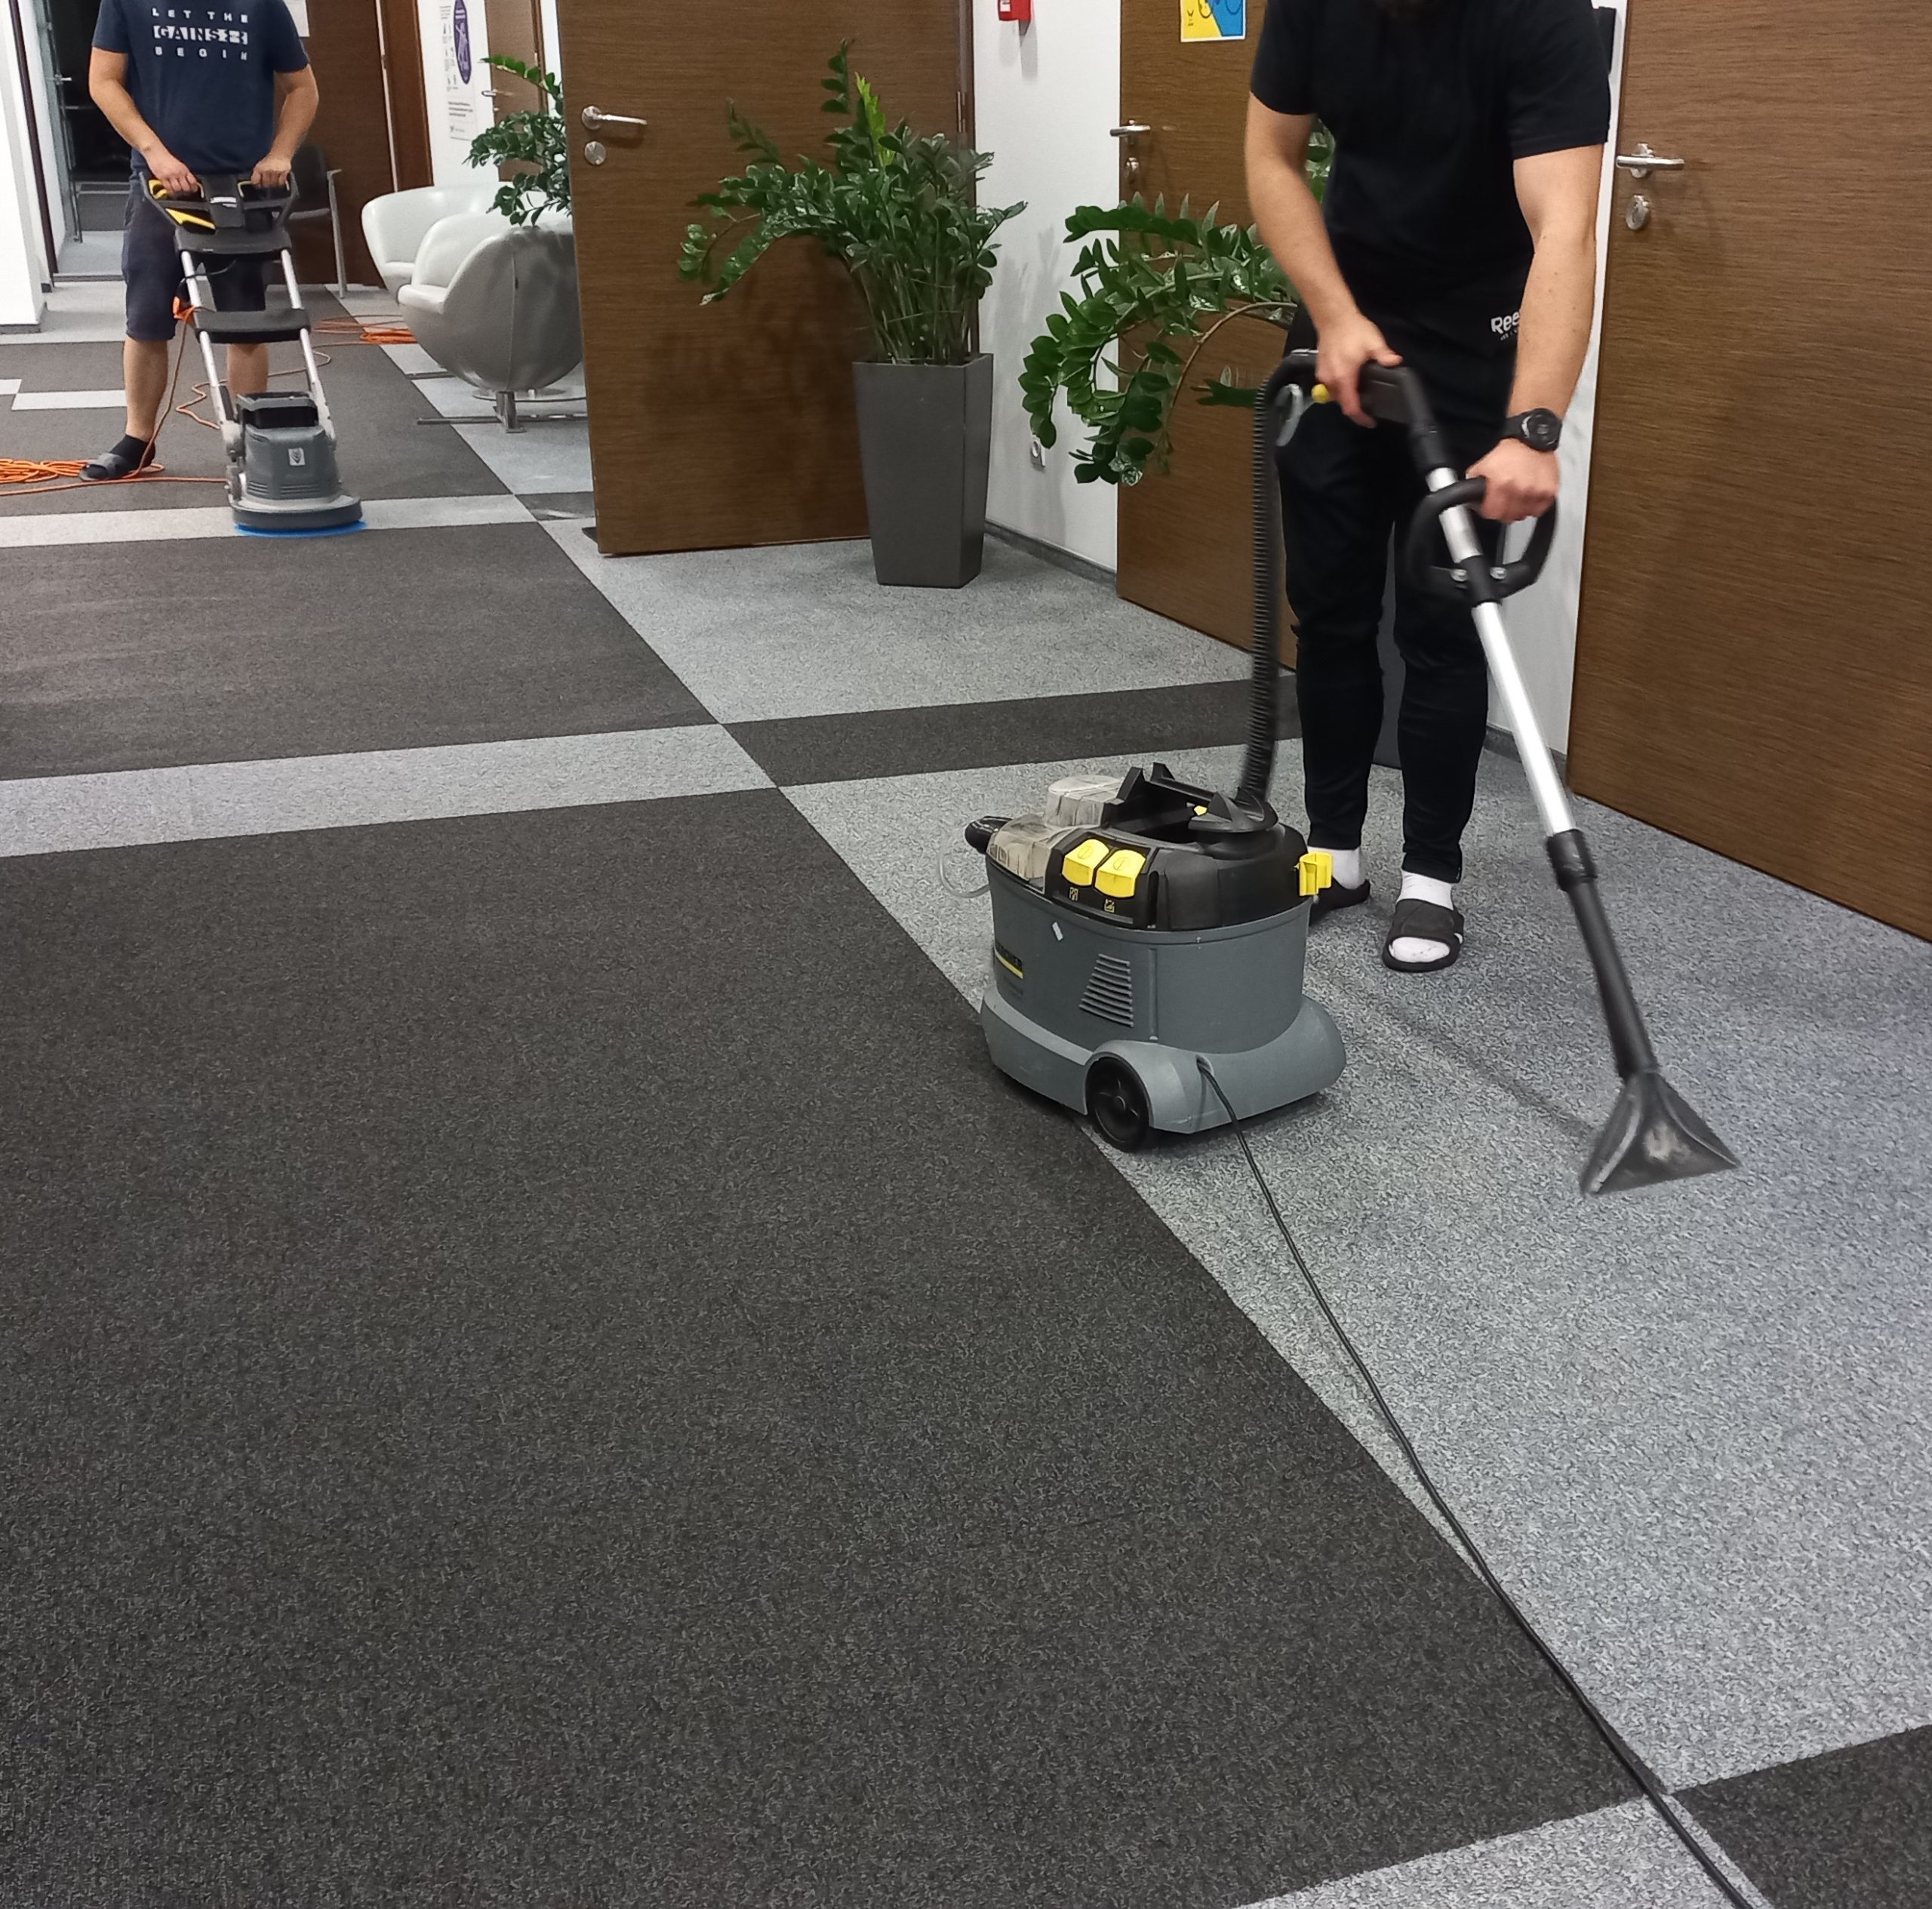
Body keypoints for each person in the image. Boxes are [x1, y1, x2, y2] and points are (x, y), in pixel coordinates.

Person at [1247, 0, 1610, 972]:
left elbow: (1565, 226)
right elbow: (1272, 156)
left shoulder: (1538, 18)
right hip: (1339, 336)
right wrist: (1334, 316)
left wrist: (1531, 428)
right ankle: (1333, 854)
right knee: (1328, 610)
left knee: (1445, 625)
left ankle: (1431, 878)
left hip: (1473, 348)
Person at [84, 0, 318, 482]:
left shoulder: (261, 4)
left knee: (245, 320)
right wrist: (154, 152)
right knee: (146, 317)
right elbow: (103, 81)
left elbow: (302, 87)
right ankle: (138, 439)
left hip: (244, 188)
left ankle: (253, 437)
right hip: (160, 186)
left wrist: (281, 153)